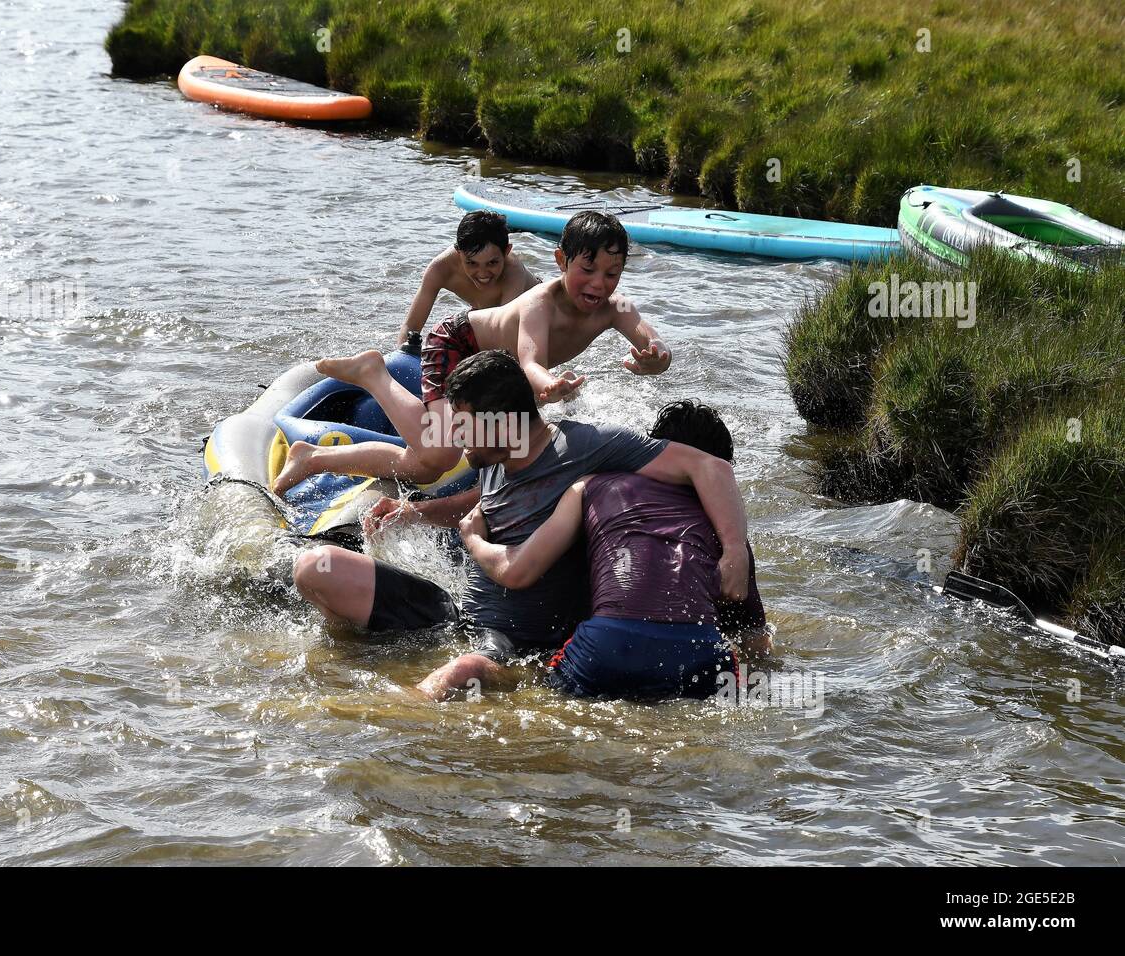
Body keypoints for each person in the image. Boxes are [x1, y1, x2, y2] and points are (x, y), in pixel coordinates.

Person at [289, 351, 749, 701]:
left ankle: (389, 721)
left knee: (458, 673)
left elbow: (711, 468)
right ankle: (356, 661)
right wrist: (416, 512)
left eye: (464, 425)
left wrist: (731, 555)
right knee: (317, 567)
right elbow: (481, 503)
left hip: (523, 644)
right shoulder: (492, 457)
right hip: (458, 618)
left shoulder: (585, 446)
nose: (455, 437)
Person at [272, 211, 671, 496]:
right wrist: (549, 385)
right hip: (457, 344)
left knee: (423, 465)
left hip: (496, 373)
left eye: (612, 273)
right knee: (441, 451)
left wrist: (655, 358)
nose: (599, 284)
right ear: (561, 260)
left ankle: (312, 458)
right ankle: (374, 374)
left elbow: (653, 343)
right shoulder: (540, 302)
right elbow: (530, 360)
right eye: (588, 269)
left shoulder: (614, 307)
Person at [458, 400, 768, 700]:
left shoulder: (595, 488)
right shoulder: (731, 535)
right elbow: (753, 638)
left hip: (606, 648)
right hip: (698, 657)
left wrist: (473, 539)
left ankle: (484, 672)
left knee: (534, 683)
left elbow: (539, 568)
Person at [394, 209, 538, 348]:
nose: (482, 273)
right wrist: (404, 356)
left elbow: (503, 334)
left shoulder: (513, 272)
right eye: (471, 263)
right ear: (459, 252)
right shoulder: (440, 269)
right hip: (490, 316)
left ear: (507, 251)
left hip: (536, 320)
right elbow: (410, 327)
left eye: (492, 263)